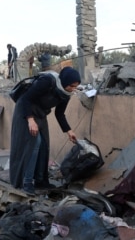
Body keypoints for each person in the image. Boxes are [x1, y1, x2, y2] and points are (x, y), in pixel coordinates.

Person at [9, 66, 80, 195]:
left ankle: (41, 181)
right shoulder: (47, 82)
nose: (73, 89)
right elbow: (26, 98)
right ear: (64, 81)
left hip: (40, 114)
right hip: (25, 112)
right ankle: (27, 182)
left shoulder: (65, 94)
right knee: (34, 144)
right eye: (72, 85)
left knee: (43, 146)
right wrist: (30, 120)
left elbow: (60, 114)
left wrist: (69, 131)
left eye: (76, 86)